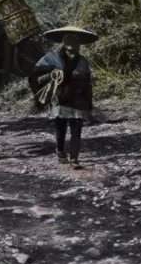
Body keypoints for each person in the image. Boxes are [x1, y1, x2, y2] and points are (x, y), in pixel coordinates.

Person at [32, 26, 98, 169]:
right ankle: (60, 150)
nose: (73, 44)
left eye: (75, 41)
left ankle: (74, 158)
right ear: (63, 43)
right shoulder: (50, 58)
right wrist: (52, 75)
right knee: (60, 128)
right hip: (60, 97)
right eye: (69, 40)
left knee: (77, 129)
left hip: (78, 98)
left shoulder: (83, 61)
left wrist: (90, 104)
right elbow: (37, 78)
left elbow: (88, 83)